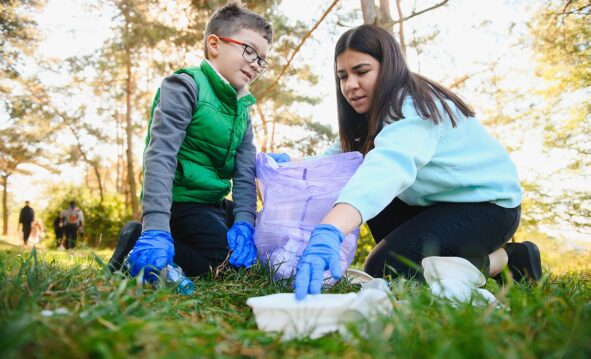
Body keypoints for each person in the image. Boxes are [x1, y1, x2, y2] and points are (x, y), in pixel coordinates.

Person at [292, 25, 541, 300]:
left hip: (489, 208)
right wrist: (285, 166)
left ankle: (508, 259)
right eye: (343, 76)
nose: (350, 85)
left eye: (362, 72)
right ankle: (441, 264)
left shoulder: (413, 106)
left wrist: (331, 229)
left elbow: (386, 169)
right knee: (362, 183)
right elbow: (335, 161)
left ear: (388, 67)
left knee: (386, 268)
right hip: (434, 206)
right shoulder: (370, 115)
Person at [108, 2, 273, 282]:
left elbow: (244, 174)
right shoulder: (185, 86)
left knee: (261, 244)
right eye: (249, 50)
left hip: (214, 203)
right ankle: (136, 243)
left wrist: (244, 222)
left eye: (262, 59)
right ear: (214, 44)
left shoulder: (242, 108)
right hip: (180, 203)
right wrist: (156, 227)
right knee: (223, 264)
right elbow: (160, 156)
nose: (255, 64)